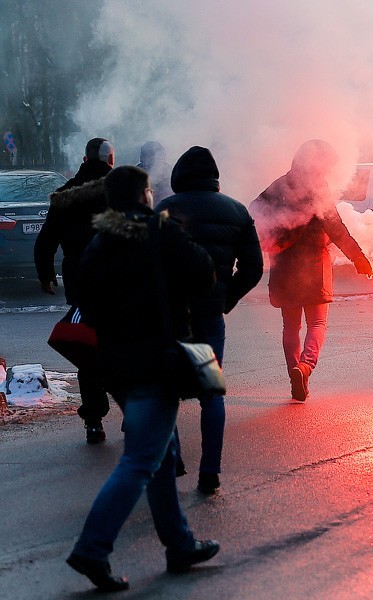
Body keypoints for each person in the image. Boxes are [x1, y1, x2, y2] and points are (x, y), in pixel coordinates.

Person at [67, 165, 219, 592]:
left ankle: (180, 544)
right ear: (145, 195)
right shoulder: (160, 232)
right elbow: (203, 274)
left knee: (163, 456)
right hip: (158, 362)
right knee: (139, 460)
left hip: (117, 366)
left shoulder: (99, 242)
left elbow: (87, 302)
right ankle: (92, 549)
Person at [155, 146, 263, 495]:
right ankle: (210, 473)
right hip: (209, 317)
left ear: (180, 177)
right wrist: (225, 298)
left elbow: (148, 263)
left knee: (165, 389)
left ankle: (174, 461)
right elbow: (253, 268)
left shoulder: (165, 210)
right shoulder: (236, 211)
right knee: (210, 392)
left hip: (171, 317)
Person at [250, 139, 373, 401]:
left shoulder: (279, 185)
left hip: (283, 264)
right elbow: (336, 228)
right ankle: (305, 366)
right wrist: (359, 259)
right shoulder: (318, 189)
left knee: (290, 326)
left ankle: (293, 373)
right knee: (317, 323)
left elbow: (255, 211)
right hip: (313, 267)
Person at [34, 137, 115, 444]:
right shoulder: (121, 187)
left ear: (84, 159)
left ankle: (93, 419)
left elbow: (47, 238)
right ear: (110, 160)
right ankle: (131, 415)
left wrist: (45, 273)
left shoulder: (68, 192)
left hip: (80, 277)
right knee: (124, 342)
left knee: (88, 345)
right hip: (119, 276)